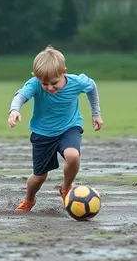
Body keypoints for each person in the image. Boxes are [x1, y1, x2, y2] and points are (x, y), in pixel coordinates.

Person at [7, 45, 103, 212]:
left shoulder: (76, 82)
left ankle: (66, 187)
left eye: (54, 83)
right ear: (37, 77)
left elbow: (92, 86)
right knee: (39, 177)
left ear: (63, 72)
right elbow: (20, 96)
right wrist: (15, 110)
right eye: (45, 83)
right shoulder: (35, 84)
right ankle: (29, 200)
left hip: (69, 128)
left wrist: (96, 113)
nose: (50, 88)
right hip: (42, 133)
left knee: (72, 156)